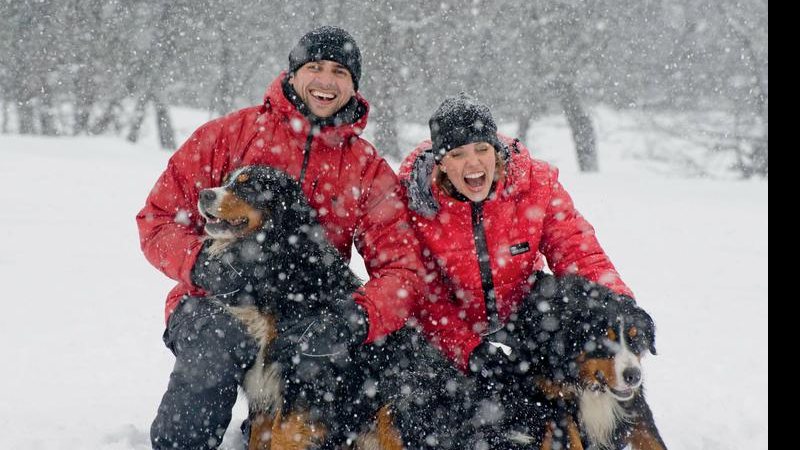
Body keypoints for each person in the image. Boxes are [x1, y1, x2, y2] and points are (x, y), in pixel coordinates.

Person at [137, 26, 425, 449]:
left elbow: (402, 270)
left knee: (314, 361)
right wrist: (201, 264)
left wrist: (358, 316)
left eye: (339, 72)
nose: (325, 81)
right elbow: (157, 219)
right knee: (212, 349)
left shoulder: (366, 168)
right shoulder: (230, 134)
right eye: (314, 67)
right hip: (214, 299)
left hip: (308, 306)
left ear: (354, 86)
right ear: (293, 74)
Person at [399, 93, 636, 445]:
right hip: (450, 336)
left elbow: (576, 249)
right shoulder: (415, 204)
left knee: (556, 308)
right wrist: (468, 349)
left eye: (481, 148)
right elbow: (419, 294)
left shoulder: (535, 186)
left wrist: (618, 302)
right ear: (440, 163)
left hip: (524, 327)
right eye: (458, 154)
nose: (473, 163)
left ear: (496, 150)